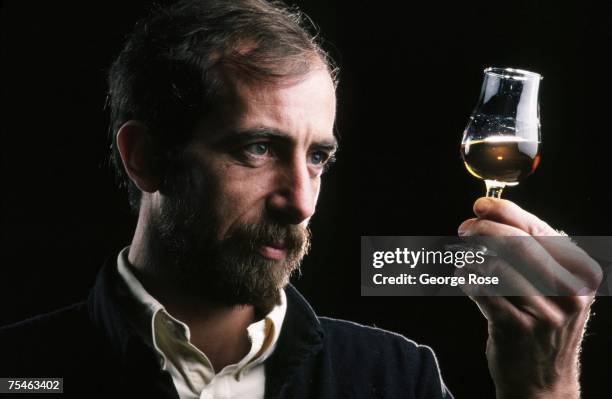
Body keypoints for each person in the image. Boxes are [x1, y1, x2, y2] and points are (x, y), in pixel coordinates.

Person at [0, 1, 598, 398]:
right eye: (258, 149)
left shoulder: (395, 379)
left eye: (318, 157)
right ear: (145, 158)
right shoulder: (22, 371)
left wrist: (543, 387)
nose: (301, 201)